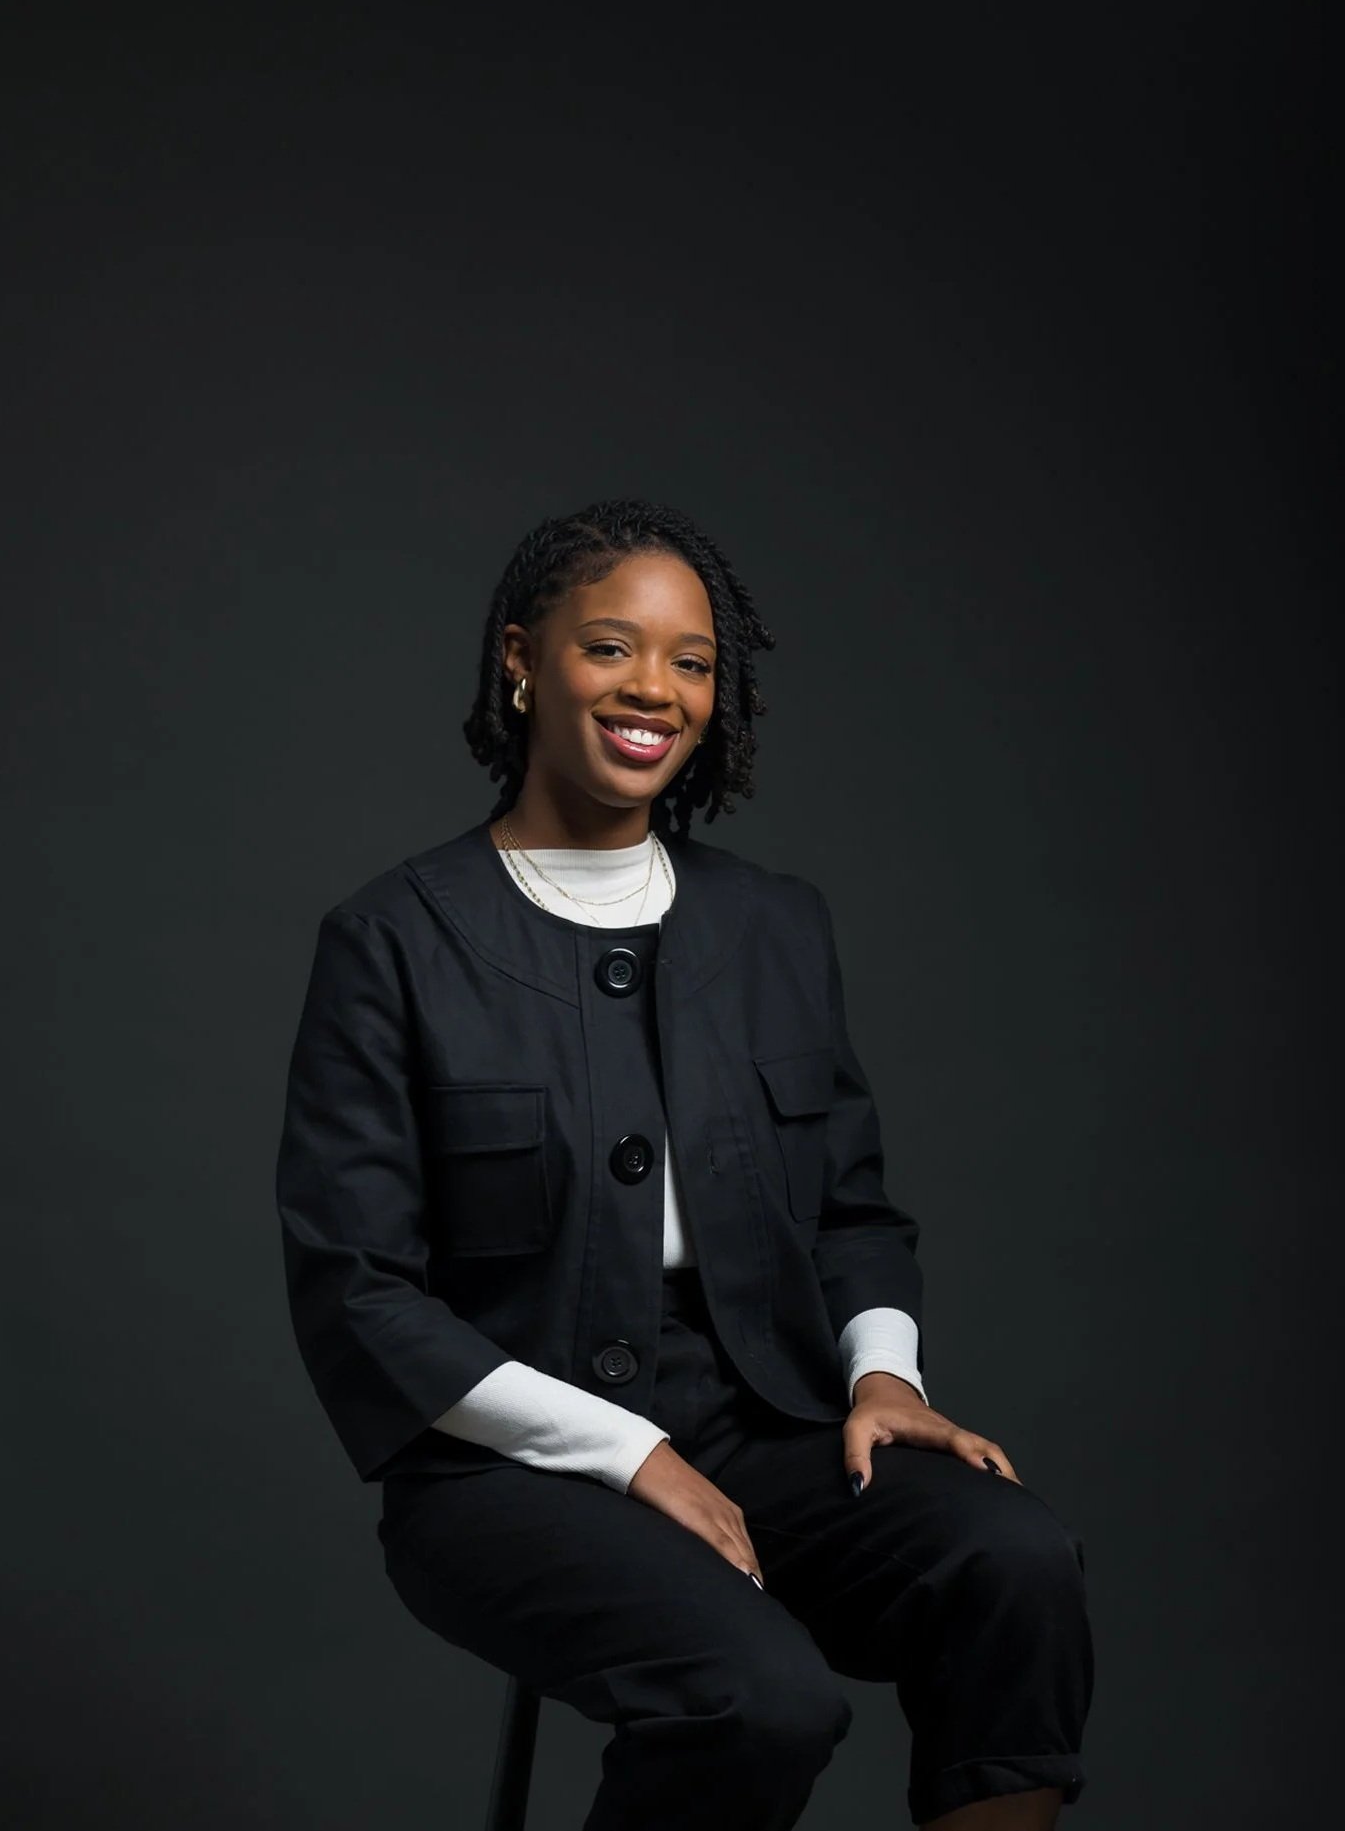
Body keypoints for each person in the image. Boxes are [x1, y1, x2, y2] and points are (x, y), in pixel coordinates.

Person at [274, 498, 1094, 1829]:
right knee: (762, 1697)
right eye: (611, 647)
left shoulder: (773, 925)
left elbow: (852, 1207)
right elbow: (356, 1291)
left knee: (1015, 1561)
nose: (654, 688)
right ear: (523, 656)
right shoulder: (394, 938)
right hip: (501, 1473)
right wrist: (630, 1453)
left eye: (693, 660)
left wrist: (884, 1376)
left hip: (759, 1421)